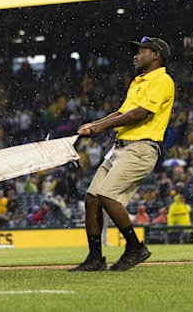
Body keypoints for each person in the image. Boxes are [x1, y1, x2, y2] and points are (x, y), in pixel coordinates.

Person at [70, 36, 175, 272]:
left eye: (141, 51)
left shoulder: (162, 80)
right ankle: (95, 258)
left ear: (156, 55)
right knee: (92, 199)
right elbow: (122, 112)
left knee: (107, 195)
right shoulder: (139, 81)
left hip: (142, 147)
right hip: (121, 147)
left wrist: (102, 127)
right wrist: (94, 124)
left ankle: (135, 247)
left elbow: (141, 113)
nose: (136, 55)